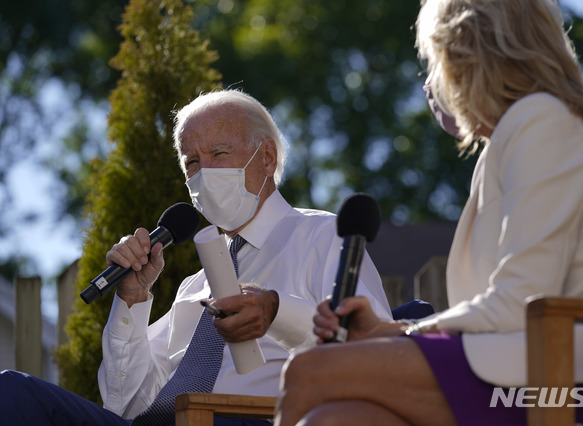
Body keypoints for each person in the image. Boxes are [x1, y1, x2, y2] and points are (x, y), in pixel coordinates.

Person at [274, 0, 583, 425]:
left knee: (310, 372)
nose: (431, 83)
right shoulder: (516, 136)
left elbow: (518, 301)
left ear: (465, 57)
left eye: (434, 62)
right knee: (337, 418)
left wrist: (406, 334)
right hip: (535, 362)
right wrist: (382, 331)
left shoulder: (542, 121)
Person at [0, 89, 392, 425]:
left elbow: (372, 354)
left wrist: (276, 312)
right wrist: (132, 300)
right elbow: (125, 403)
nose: (203, 173)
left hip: (255, 420)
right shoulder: (195, 285)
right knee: (12, 391)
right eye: (191, 162)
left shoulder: (323, 236)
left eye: (219, 153)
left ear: (267, 158)